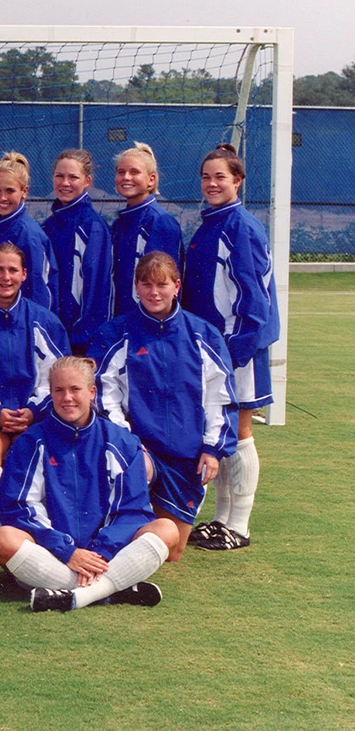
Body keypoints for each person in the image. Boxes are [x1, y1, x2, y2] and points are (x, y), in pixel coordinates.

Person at [0, 356, 179, 612]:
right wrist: (66, 550)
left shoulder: (122, 442)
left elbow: (133, 511)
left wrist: (101, 551)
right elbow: (16, 507)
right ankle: (109, 590)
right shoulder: (31, 442)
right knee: (3, 539)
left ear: (92, 392)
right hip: (54, 556)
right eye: (59, 390)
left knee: (167, 529)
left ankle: (75, 596)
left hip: (107, 555)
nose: (67, 397)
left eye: (75, 389)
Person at [90, 251, 236, 559]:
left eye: (162, 285)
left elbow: (220, 397)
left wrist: (212, 449)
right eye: (146, 285)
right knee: (132, 469)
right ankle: (105, 546)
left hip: (187, 457)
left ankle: (121, 552)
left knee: (172, 551)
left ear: (177, 286)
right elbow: (105, 394)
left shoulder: (203, 335)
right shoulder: (116, 333)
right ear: (136, 287)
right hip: (142, 450)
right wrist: (126, 440)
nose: (154, 293)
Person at [181, 144, 279, 551]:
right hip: (214, 350)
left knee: (239, 432)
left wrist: (235, 352)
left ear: (237, 181)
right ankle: (221, 518)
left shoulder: (241, 226)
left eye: (220, 177)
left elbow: (255, 302)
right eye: (206, 177)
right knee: (219, 429)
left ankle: (239, 525)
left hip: (238, 349)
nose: (212, 183)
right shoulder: (210, 223)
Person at [0, 243, 70, 532]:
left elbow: (56, 377)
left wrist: (32, 411)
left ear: (24, 275)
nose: (6, 277)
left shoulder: (44, 321)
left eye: (13, 270)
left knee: (41, 449)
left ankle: (34, 529)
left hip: (34, 416)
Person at [41, 149, 112, 354]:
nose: (65, 183)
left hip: (78, 344)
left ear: (87, 181)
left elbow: (97, 291)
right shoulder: (48, 226)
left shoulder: (92, 227)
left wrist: (82, 341)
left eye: (73, 177)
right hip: (52, 338)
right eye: (59, 176)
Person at [111, 143, 184, 317]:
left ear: (151, 179)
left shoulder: (159, 222)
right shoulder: (120, 223)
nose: (126, 177)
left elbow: (162, 287)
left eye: (134, 172)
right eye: (121, 172)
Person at [0, 151, 55, 310]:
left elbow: (38, 291)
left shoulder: (28, 234)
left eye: (10, 191)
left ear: (24, 191)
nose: (2, 197)